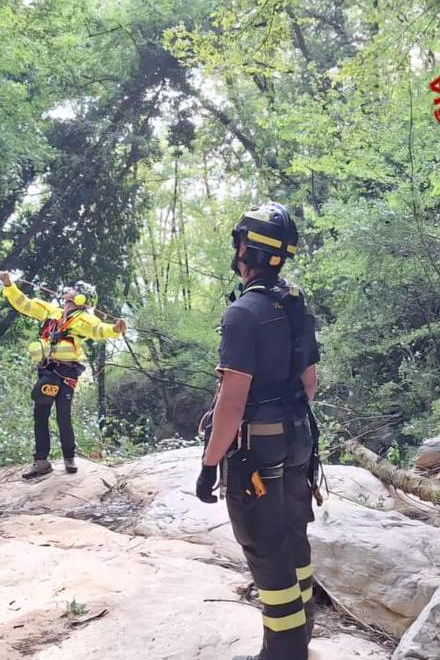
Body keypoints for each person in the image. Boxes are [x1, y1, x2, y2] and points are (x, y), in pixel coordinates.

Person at [195, 202, 321, 660]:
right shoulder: (295, 304)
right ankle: (302, 632)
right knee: (293, 534)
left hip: (257, 448)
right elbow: (309, 383)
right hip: (299, 437)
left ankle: (284, 652)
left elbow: (232, 404)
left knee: (266, 547)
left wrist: (209, 465)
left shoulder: (243, 313)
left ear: (245, 248)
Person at [0, 271, 127, 479]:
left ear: (81, 298)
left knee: (63, 415)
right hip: (47, 370)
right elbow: (25, 304)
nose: (68, 292)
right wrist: (8, 284)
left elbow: (99, 329)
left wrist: (115, 329)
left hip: (67, 373)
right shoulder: (52, 312)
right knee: (40, 414)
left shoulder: (84, 319)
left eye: (74, 290)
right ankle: (41, 461)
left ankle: (69, 458)